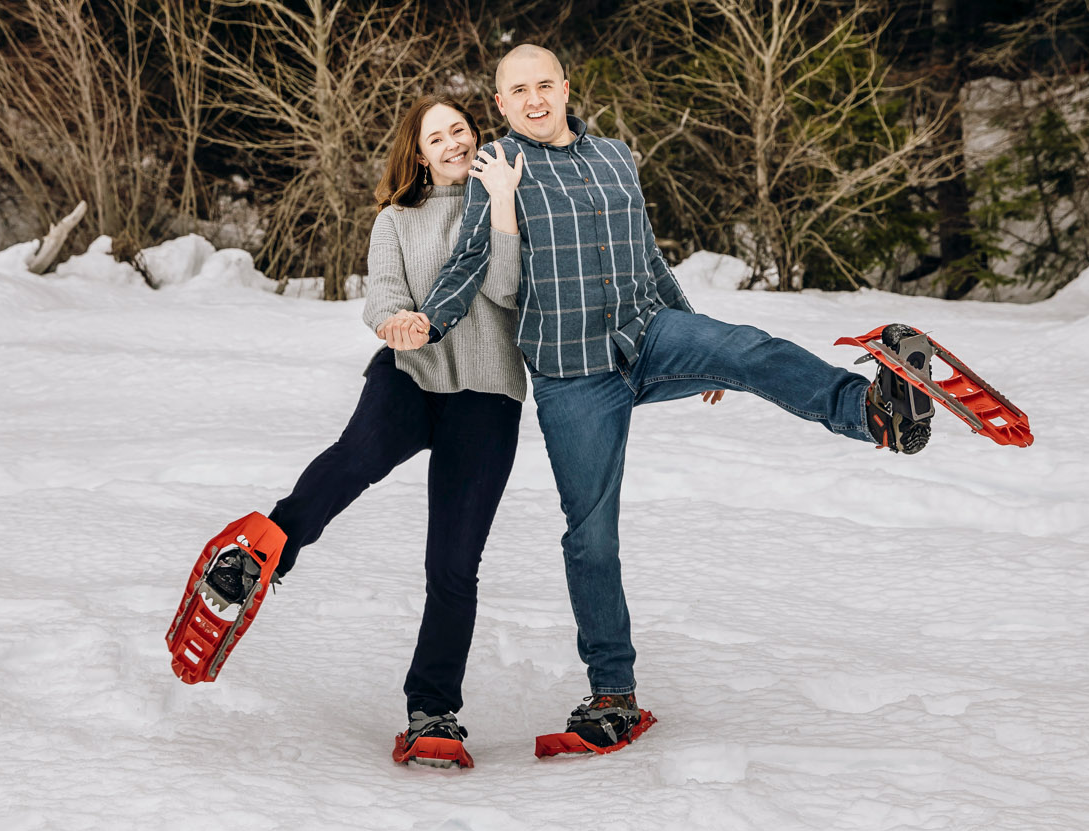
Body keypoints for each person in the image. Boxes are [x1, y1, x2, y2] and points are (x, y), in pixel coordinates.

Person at [383, 44, 929, 755]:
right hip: (572, 373)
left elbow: (646, 255)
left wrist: (693, 336)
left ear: (566, 86)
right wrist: (429, 319)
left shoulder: (616, 156)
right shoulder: (499, 171)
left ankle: (873, 414)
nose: (535, 99)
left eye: (545, 83)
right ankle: (614, 693)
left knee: (747, 350)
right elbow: (470, 264)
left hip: (648, 331)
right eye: (519, 91)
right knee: (591, 536)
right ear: (502, 104)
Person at [260, 94, 529, 769]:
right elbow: (382, 292)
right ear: (417, 151)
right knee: (358, 454)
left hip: (487, 395)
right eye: (435, 136)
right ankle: (266, 549)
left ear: (475, 138)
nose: (451, 143)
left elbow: (505, 287)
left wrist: (500, 202)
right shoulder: (396, 218)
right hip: (410, 373)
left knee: (453, 564)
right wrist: (394, 323)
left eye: (460, 130)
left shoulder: (508, 204)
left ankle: (432, 708)